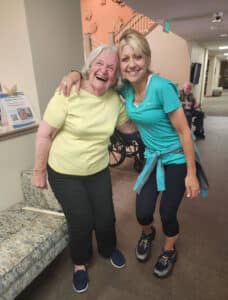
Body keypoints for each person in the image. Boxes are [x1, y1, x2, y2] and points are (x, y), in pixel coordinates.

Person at [59, 29, 208, 278]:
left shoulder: (161, 88)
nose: (131, 64)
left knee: (168, 212)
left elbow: (184, 132)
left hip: (177, 156)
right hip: (152, 156)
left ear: (147, 59)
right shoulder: (124, 88)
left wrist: (191, 173)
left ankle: (169, 250)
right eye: (125, 59)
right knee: (142, 212)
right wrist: (75, 73)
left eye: (137, 57)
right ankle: (148, 233)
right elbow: (96, 75)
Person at [32, 44, 137, 293]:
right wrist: (39, 171)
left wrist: (152, 118)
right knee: (81, 221)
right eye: (99, 64)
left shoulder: (115, 101)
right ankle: (79, 264)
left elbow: (129, 129)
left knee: (105, 217)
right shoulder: (69, 92)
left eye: (111, 67)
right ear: (90, 66)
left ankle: (108, 249)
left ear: (115, 76)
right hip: (64, 171)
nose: (104, 70)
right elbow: (45, 134)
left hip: (97, 169)